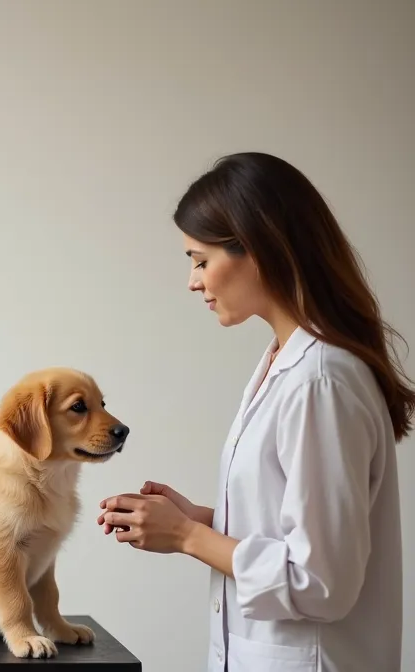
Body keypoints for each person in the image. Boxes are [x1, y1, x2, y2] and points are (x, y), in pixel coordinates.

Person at [97, 151, 410, 672]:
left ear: (259, 248)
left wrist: (189, 537)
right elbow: (299, 531)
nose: (193, 281)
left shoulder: (320, 380)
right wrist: (200, 518)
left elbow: (321, 583)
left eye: (201, 260)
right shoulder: (282, 363)